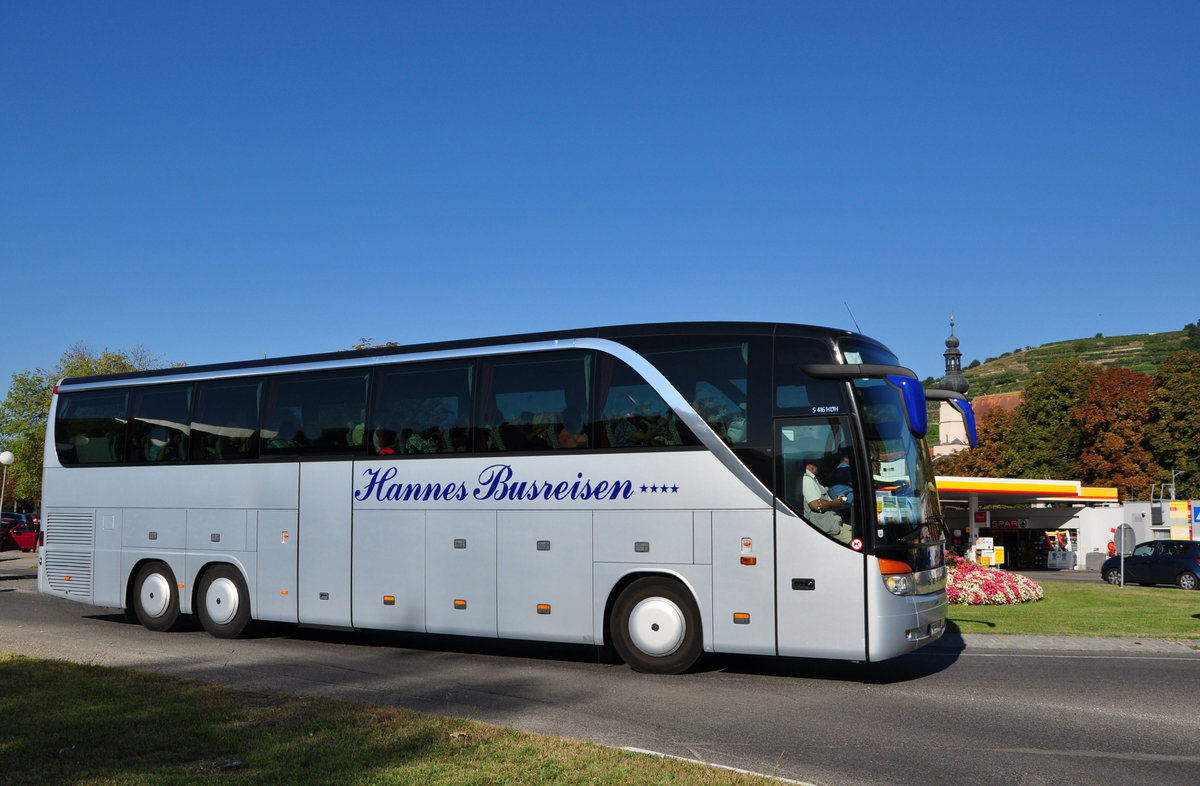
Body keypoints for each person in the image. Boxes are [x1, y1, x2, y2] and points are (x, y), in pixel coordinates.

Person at [801, 457, 851, 542]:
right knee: (855, 538)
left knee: (856, 530)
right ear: (810, 465)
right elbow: (816, 505)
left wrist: (836, 501)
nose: (820, 466)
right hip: (824, 525)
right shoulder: (807, 480)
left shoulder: (814, 479)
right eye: (817, 463)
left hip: (831, 520)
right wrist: (836, 503)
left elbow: (823, 501)